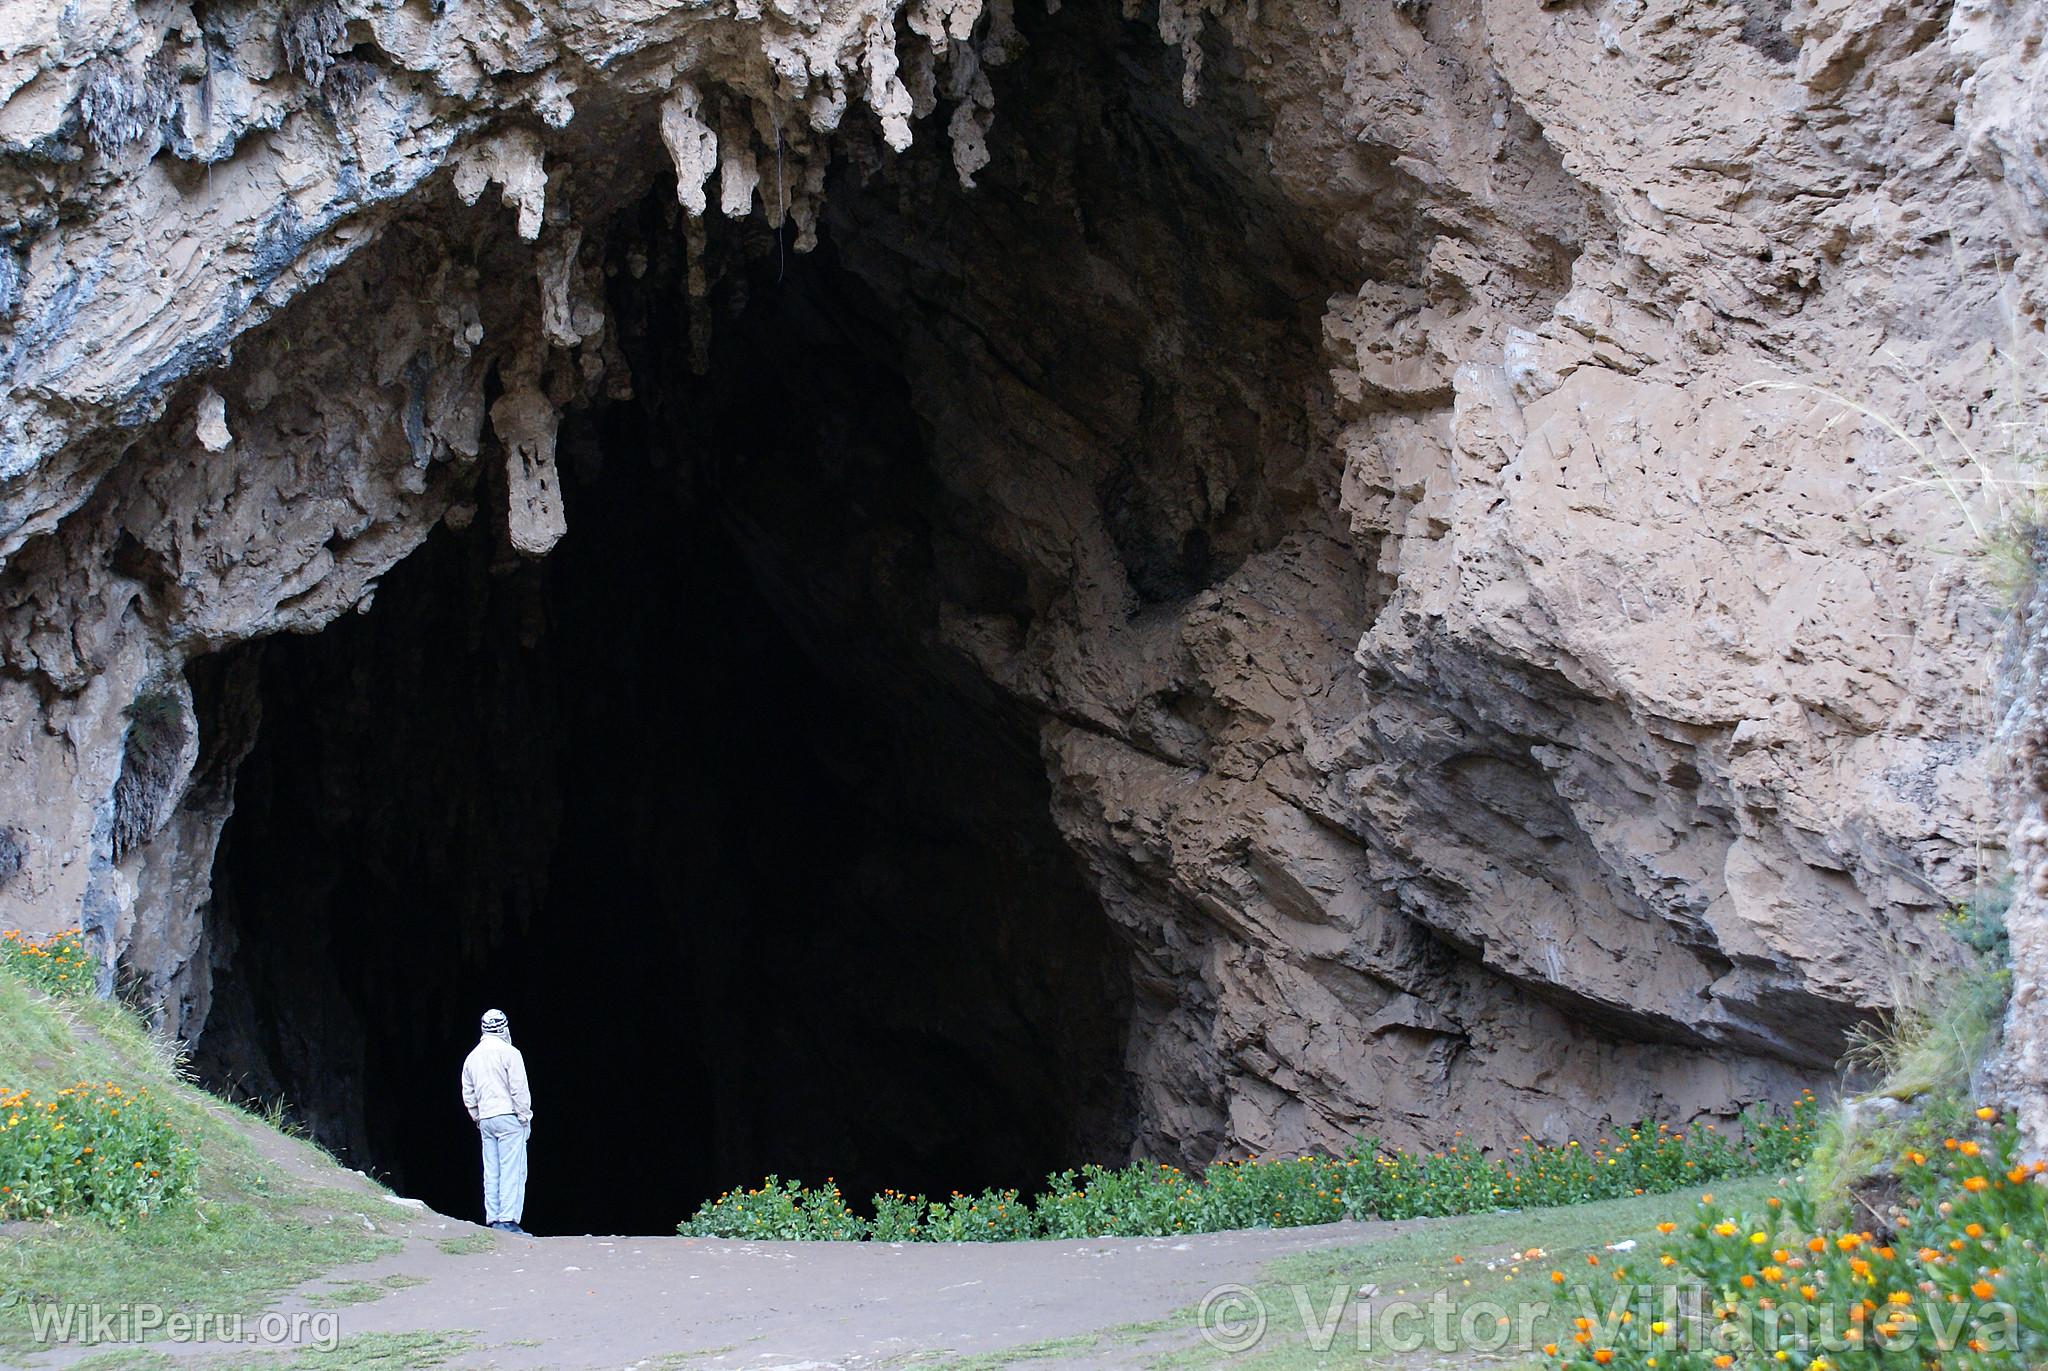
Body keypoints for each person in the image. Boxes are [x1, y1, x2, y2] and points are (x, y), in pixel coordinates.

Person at [460, 1008, 533, 1234]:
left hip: (487, 1119)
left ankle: (492, 1219)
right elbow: (519, 1089)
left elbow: (468, 1092)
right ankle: (508, 1220)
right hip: (509, 1117)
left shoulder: (472, 1057)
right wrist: (525, 1117)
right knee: (512, 1168)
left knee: (491, 1169)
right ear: (503, 1027)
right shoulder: (510, 1053)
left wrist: (477, 1116)